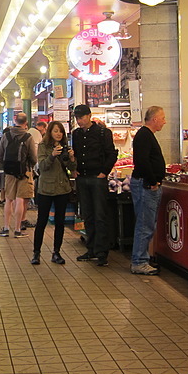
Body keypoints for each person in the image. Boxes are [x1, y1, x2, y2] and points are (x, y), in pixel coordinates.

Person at [71, 104, 118, 266]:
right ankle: (90, 248)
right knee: (88, 215)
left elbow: (112, 153)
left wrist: (104, 172)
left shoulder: (103, 133)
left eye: (82, 117)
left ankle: (102, 252)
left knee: (100, 215)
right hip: (82, 178)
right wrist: (74, 170)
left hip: (97, 178)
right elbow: (75, 154)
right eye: (77, 118)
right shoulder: (76, 134)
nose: (79, 121)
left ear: (89, 116)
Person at [31, 121, 76, 265]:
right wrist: (52, 155)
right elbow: (42, 167)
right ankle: (36, 253)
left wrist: (72, 158)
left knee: (60, 222)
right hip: (46, 189)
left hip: (62, 188)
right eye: (56, 131)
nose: (58, 133)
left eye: (60, 131)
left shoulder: (65, 147)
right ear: (50, 132)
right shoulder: (43, 146)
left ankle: (56, 252)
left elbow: (72, 168)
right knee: (42, 221)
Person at [130, 106, 167, 276]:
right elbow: (142, 161)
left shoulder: (145, 135)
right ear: (154, 119)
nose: (165, 122)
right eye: (163, 118)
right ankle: (139, 261)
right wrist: (153, 181)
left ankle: (142, 257)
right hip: (146, 185)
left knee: (146, 224)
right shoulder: (144, 135)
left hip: (147, 184)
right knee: (145, 224)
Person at [0, 113, 37, 237]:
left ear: (15, 121)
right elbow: (33, 157)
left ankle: (6, 228)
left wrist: (5, 166)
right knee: (20, 199)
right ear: (26, 123)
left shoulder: (6, 136)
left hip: (9, 172)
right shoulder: (28, 137)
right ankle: (18, 229)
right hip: (24, 172)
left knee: (9, 199)